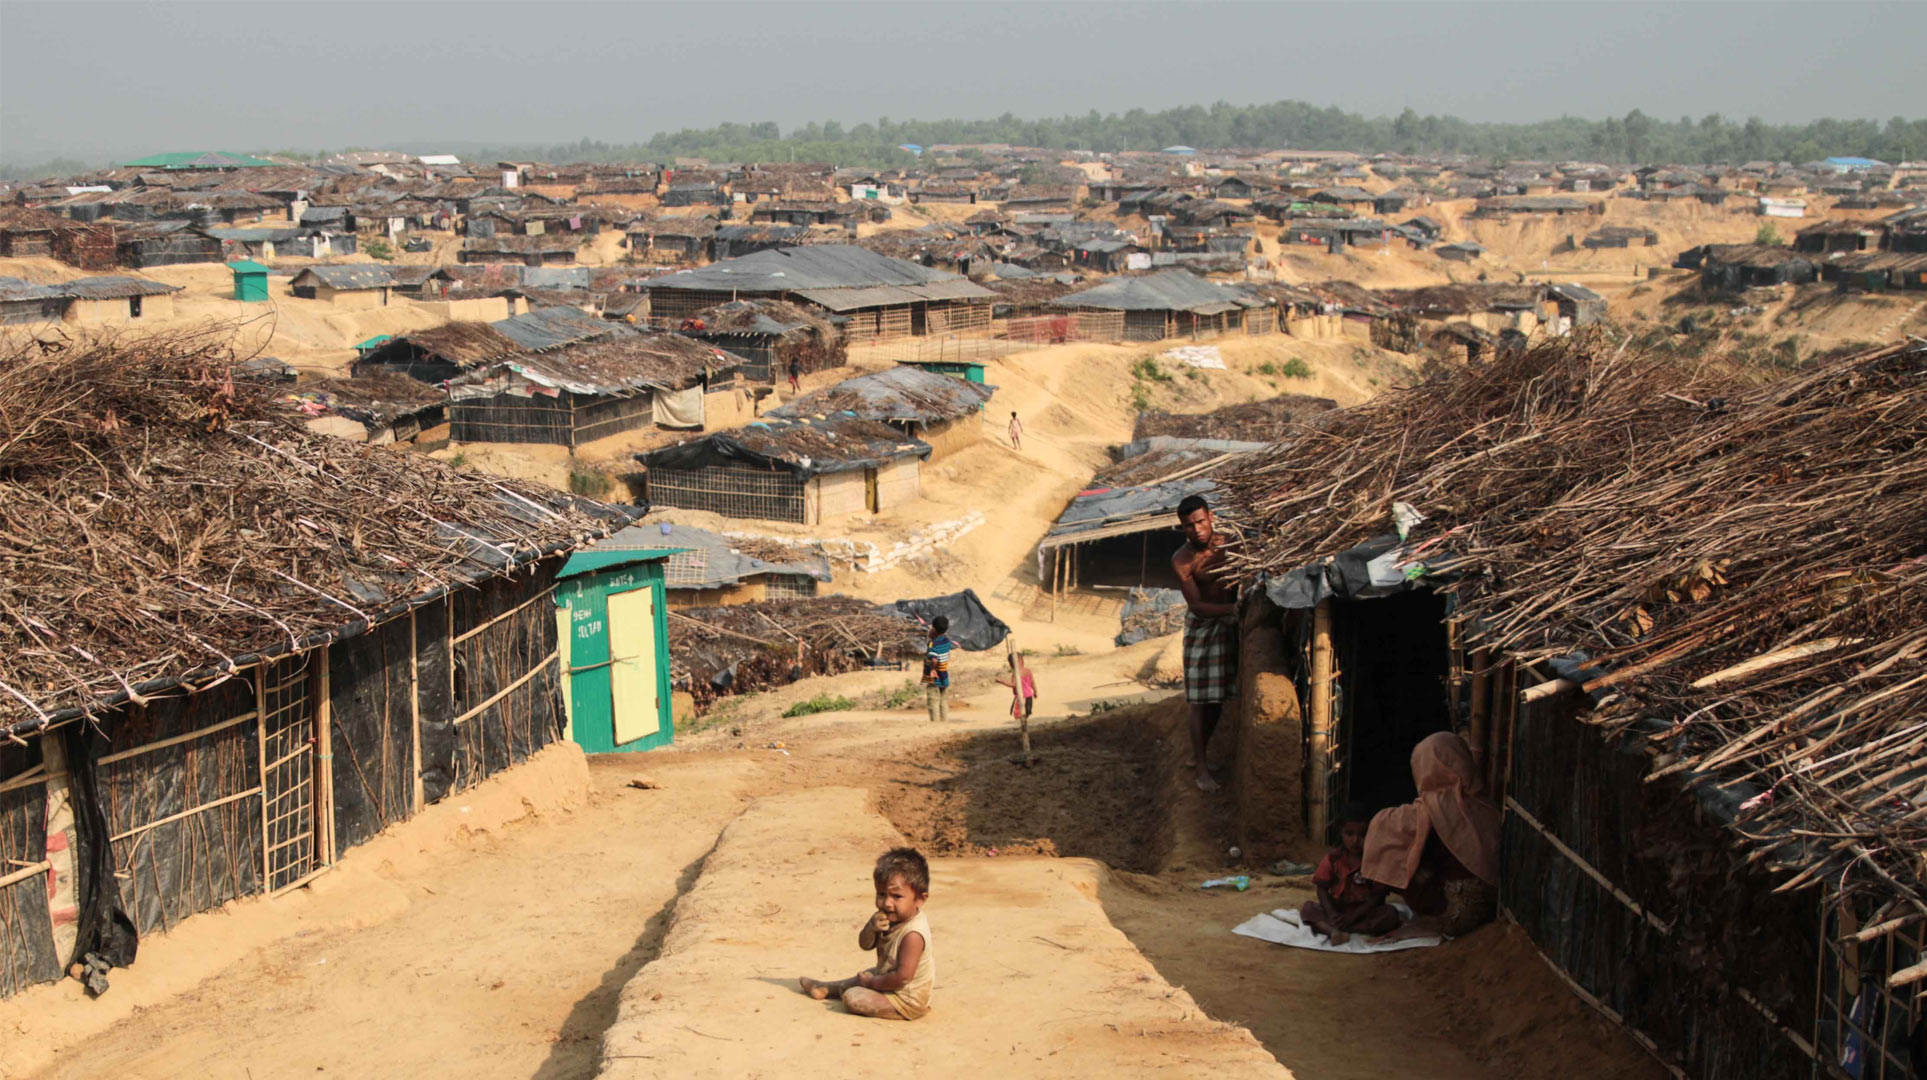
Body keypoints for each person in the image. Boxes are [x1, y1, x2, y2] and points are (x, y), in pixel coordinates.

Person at [1362, 731, 1502, 938]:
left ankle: (1370, 910)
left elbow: (1384, 828)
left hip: (1456, 916)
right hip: (1489, 907)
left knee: (1398, 850)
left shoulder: (1435, 808)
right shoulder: (1484, 805)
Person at [800, 848, 936, 1020]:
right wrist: (871, 928)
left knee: (854, 997)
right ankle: (825, 988)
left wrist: (872, 983)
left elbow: (903, 977)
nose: (887, 903)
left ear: (920, 899)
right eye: (881, 894)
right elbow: (865, 944)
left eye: (897, 896)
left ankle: (902, 1010)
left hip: (905, 999)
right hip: (889, 978)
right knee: (863, 976)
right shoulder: (888, 917)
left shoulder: (913, 935)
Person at [1171, 494, 1238, 791]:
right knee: (1199, 700)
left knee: (1217, 699)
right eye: (1189, 525)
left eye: (1200, 522)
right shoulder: (1181, 560)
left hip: (1229, 624)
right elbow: (1197, 606)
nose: (1196, 530)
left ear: (1210, 517)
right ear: (1182, 527)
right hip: (1202, 628)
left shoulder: (1231, 544)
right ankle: (1200, 768)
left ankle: (1201, 754)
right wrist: (1234, 610)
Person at [1300, 803, 1401, 945]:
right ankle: (1336, 931)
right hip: (1338, 910)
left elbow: (1378, 896)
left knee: (1390, 914)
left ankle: (1338, 930)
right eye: (1349, 834)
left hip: (1365, 912)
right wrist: (1331, 913)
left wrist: (1353, 916)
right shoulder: (1333, 859)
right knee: (1308, 908)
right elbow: (1321, 889)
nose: (1355, 841)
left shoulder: (1375, 861)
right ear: (1341, 832)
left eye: (1362, 835)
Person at [922, 616, 953, 723]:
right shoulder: (947, 641)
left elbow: (934, 659)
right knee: (943, 701)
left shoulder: (933, 644)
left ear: (934, 629)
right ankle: (944, 722)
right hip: (944, 674)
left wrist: (932, 669)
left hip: (934, 676)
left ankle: (935, 724)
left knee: (933, 701)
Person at [995, 652, 1037, 721]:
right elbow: (1032, 682)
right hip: (1029, 695)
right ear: (1022, 661)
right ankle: (1024, 722)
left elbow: (1013, 684)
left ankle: (1022, 723)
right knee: (1026, 712)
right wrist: (1035, 691)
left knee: (1017, 713)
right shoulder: (1028, 671)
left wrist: (1002, 681)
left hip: (1020, 696)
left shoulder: (1016, 673)